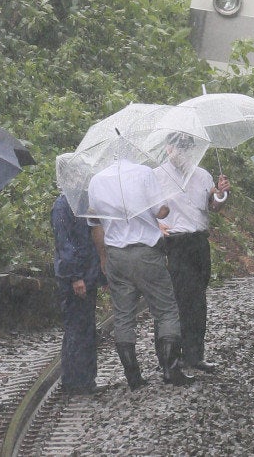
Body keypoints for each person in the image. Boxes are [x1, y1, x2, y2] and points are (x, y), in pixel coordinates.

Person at [86, 157, 193, 390]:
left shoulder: (96, 181)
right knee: (166, 310)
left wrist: (103, 257)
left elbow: (95, 223)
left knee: (123, 316)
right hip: (146, 252)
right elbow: (162, 211)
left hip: (116, 254)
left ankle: (133, 376)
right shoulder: (144, 173)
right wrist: (166, 200)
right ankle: (170, 369)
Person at [156, 137, 230, 373]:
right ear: (167, 149)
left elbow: (214, 206)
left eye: (184, 150)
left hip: (198, 241)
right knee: (175, 300)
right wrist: (156, 226)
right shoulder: (157, 176)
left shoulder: (203, 175)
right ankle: (170, 357)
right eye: (174, 149)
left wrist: (221, 194)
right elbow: (147, 209)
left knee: (197, 299)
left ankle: (194, 354)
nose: (178, 154)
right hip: (173, 242)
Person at [51, 192, 105, 396]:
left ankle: (85, 378)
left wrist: (100, 273)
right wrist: (75, 277)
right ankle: (73, 380)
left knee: (87, 327)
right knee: (76, 328)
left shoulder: (84, 203)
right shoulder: (62, 206)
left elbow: (94, 235)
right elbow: (64, 244)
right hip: (74, 277)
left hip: (88, 273)